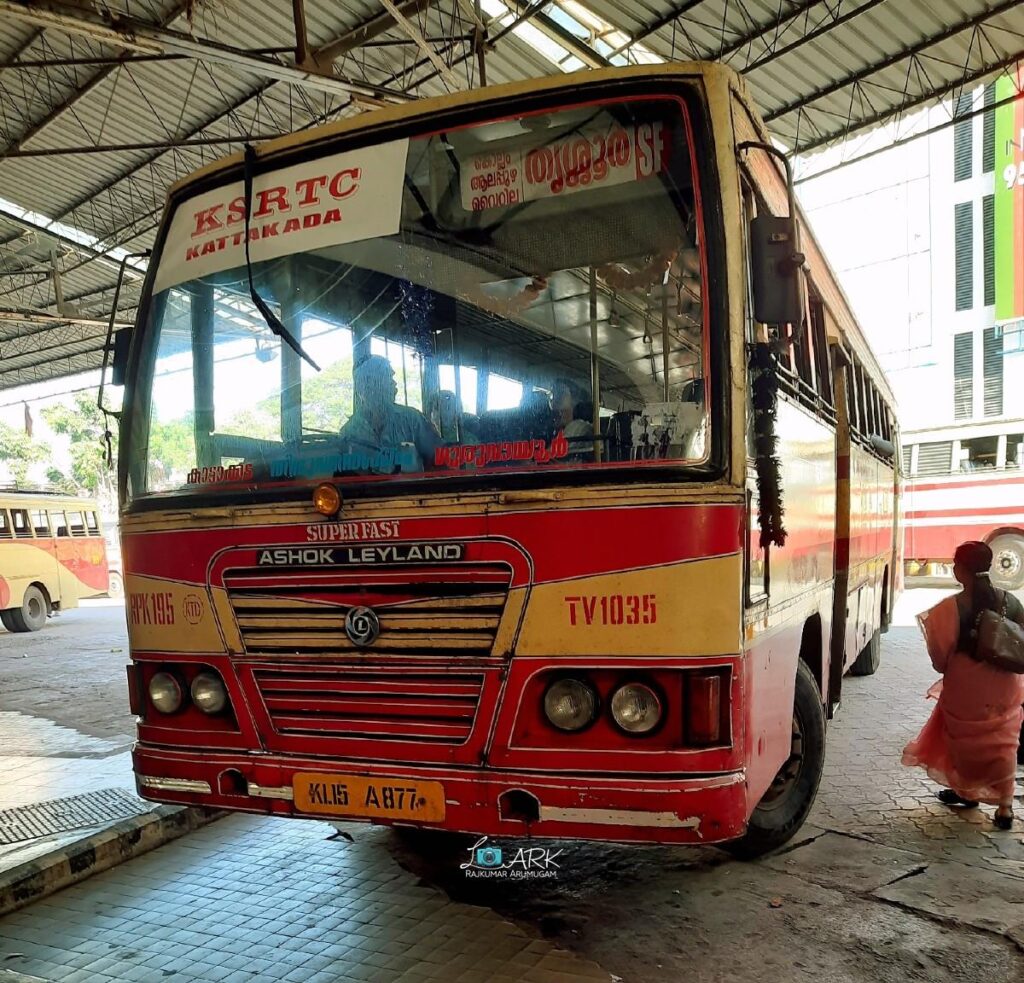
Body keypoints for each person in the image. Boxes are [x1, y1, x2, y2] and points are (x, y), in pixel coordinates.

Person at [901, 540, 1024, 830]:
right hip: (1006, 684)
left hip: (965, 686)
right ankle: (1005, 807)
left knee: (962, 740)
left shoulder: (949, 609)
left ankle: (967, 791)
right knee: (1004, 742)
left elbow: (940, 660)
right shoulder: (1011, 602)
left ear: (959, 570)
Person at [339, 354, 442, 472]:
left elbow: (439, 458)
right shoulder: (348, 433)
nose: (394, 385)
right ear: (365, 387)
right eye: (388, 378)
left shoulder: (412, 420)